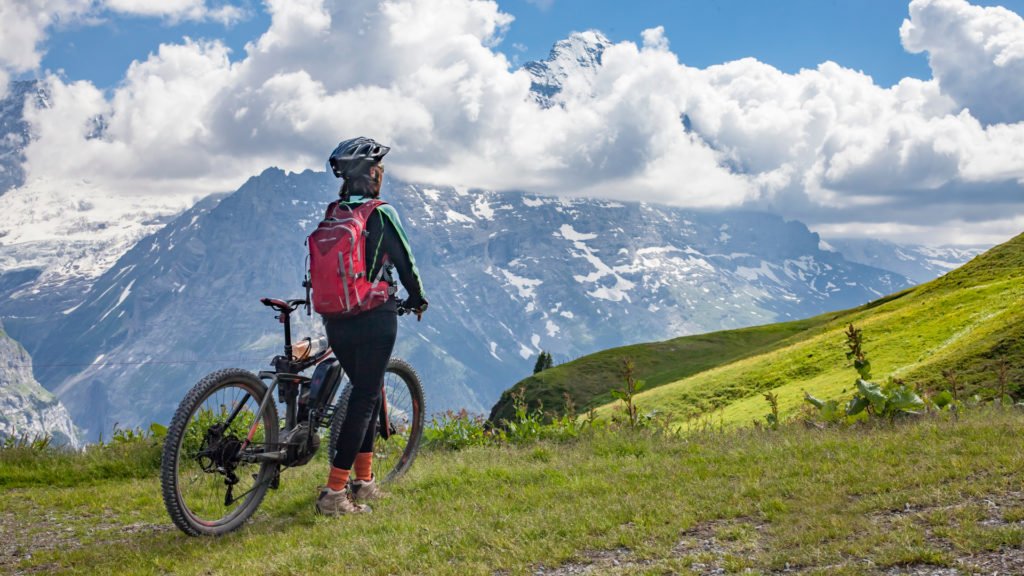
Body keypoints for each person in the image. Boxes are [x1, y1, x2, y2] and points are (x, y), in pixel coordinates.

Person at [315, 137, 428, 516]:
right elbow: (406, 264)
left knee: (367, 390)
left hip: (336, 320)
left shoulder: (334, 213)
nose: (381, 174)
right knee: (364, 399)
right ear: (372, 174)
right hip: (374, 318)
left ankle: (363, 483)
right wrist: (418, 299)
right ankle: (334, 494)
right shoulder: (380, 213)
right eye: (379, 168)